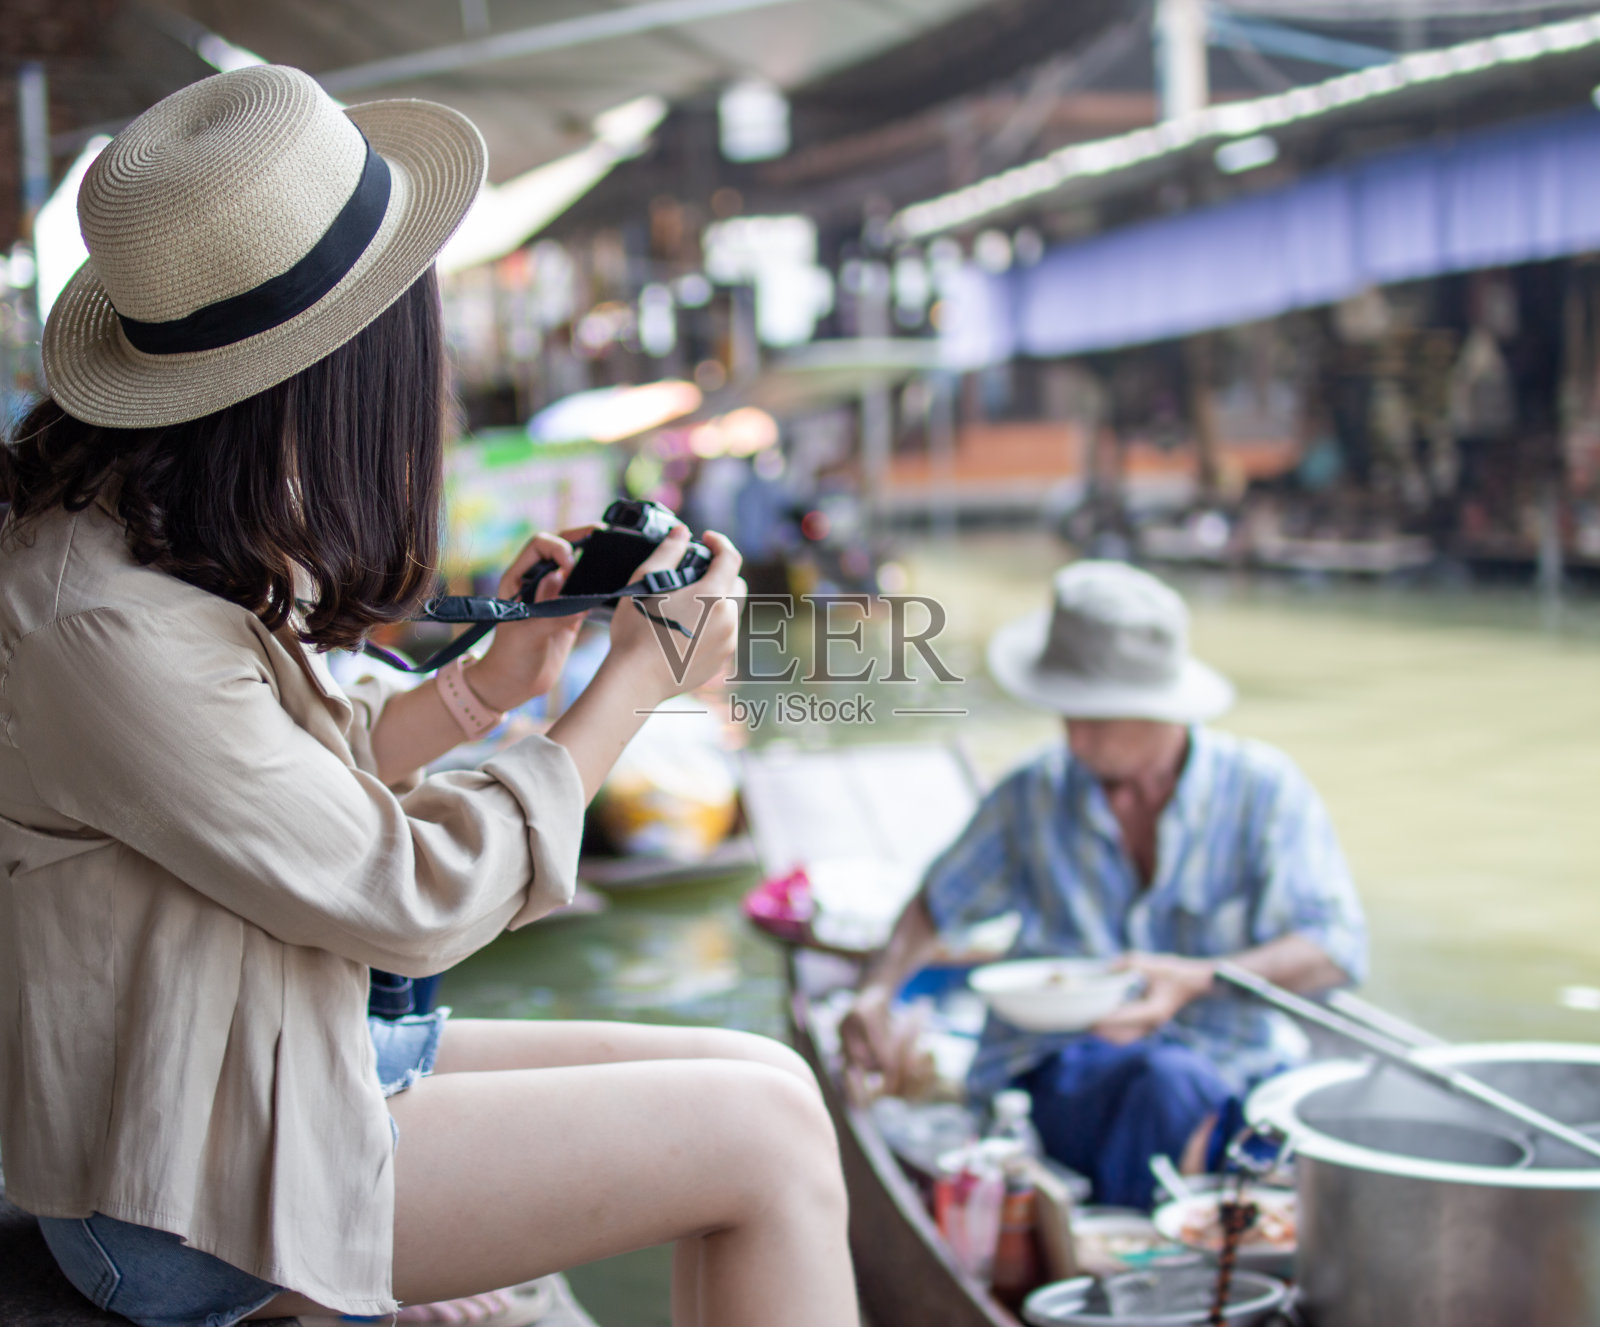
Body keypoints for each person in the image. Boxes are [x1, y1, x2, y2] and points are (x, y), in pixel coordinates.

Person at [0, 66, 856, 1327]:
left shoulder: (133, 529)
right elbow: (402, 899)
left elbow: (266, 772)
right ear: (350, 365)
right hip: (184, 1193)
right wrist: (634, 681)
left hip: (261, 1067)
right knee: (769, 1143)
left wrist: (484, 688)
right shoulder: (108, 620)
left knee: (768, 1074)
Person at [841, 560, 1367, 1210]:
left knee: (1247, 1097)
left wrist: (1198, 977)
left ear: (1162, 707)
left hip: (1233, 1063)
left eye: (1097, 711)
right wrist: (876, 989)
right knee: (1160, 1084)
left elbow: (1335, 947)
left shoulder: (1264, 793)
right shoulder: (1033, 794)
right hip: (1059, 1068)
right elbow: (934, 905)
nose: (1074, 731)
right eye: (1066, 708)